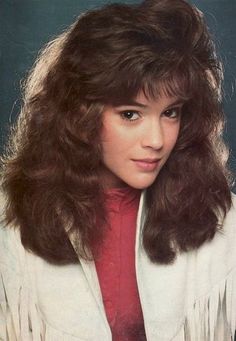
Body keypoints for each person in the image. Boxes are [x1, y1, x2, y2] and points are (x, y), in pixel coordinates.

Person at [0, 0, 235, 340]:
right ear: (81, 115)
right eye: (130, 114)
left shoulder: (225, 220)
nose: (156, 140)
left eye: (170, 113)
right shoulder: (10, 220)